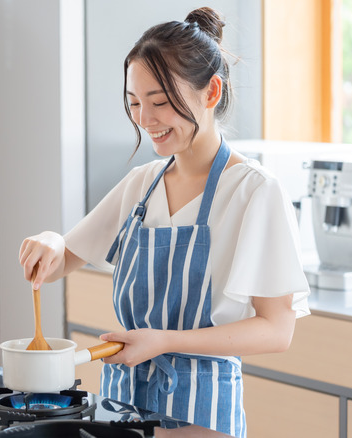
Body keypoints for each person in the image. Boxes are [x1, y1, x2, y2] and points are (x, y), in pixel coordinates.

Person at [18, 7, 310, 438]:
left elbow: (277, 330)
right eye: (134, 103)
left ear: (211, 92)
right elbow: (64, 258)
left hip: (202, 417)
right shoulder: (143, 185)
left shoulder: (253, 191)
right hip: (123, 407)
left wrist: (166, 341)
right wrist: (48, 241)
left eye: (159, 102)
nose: (144, 119)